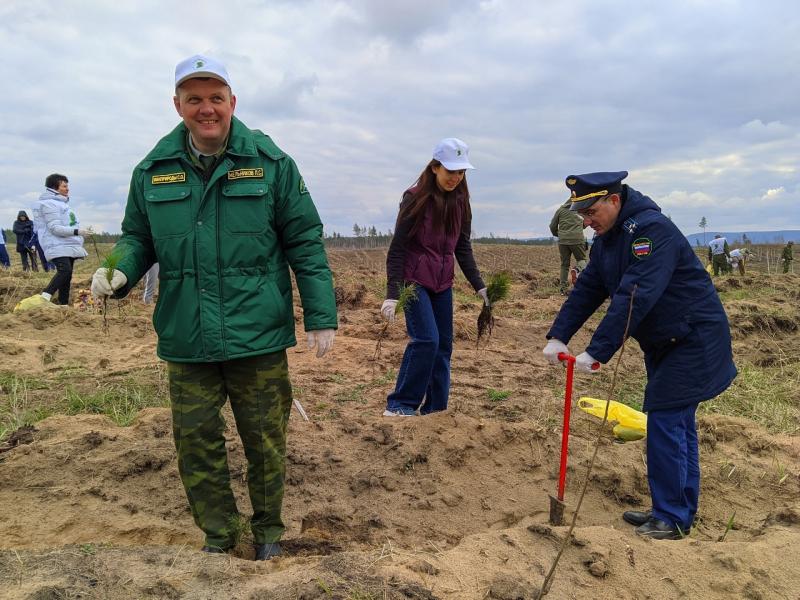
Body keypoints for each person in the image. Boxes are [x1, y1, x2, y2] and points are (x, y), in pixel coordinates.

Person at [90, 54, 337, 559]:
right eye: (195, 99)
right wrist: (119, 268)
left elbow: (305, 242)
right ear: (178, 105)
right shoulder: (153, 170)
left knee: (265, 442)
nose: (207, 109)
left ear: (232, 103)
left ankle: (268, 531)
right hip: (187, 335)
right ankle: (219, 536)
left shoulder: (273, 165)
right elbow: (138, 237)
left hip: (258, 334)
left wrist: (321, 314)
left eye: (216, 98)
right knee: (196, 445)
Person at [542, 172, 736, 540]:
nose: (586, 221)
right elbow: (588, 289)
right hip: (665, 341)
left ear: (614, 201)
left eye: (591, 211)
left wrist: (597, 352)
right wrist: (558, 335)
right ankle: (674, 507)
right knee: (675, 423)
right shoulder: (607, 240)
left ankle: (673, 516)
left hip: (694, 338)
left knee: (665, 418)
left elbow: (635, 294)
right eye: (581, 213)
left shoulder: (650, 233)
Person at [381, 138, 487, 417]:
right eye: (450, 171)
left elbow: (462, 247)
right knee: (426, 340)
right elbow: (397, 249)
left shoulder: (462, 202)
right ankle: (400, 405)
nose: (456, 178)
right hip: (414, 281)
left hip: (443, 283)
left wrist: (479, 285)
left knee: (444, 347)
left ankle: (436, 410)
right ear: (435, 167)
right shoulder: (414, 198)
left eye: (461, 172)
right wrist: (392, 294)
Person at [33, 174, 90, 305]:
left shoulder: (62, 204)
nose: (67, 189)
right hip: (56, 244)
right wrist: (77, 232)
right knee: (65, 271)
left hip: (67, 244)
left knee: (67, 276)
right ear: (55, 187)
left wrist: (78, 234)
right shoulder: (49, 205)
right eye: (64, 186)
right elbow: (55, 228)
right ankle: (45, 296)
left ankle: (63, 304)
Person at [549, 198, 587, 294]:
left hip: (563, 241)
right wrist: (580, 227)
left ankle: (563, 289)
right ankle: (579, 274)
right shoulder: (580, 209)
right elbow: (586, 222)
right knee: (581, 260)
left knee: (564, 265)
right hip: (577, 239)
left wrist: (560, 234)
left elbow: (552, 226)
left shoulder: (560, 210)